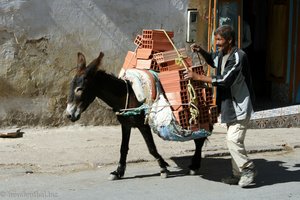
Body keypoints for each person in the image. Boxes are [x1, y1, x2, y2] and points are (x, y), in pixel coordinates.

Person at [184, 25, 257, 188]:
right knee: (235, 141)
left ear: (229, 40)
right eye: (215, 39)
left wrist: (197, 77)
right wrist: (201, 51)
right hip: (229, 107)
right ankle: (237, 174)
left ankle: (248, 170)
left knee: (233, 140)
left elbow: (224, 80)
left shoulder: (238, 57)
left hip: (240, 106)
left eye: (219, 40)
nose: (216, 43)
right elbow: (212, 59)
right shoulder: (223, 54)